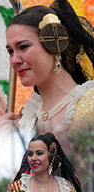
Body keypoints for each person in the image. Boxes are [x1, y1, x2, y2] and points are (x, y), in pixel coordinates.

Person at [6, 1, 94, 138]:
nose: (15, 60)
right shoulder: (26, 119)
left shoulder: (91, 106)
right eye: (10, 51)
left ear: (54, 44)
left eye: (23, 47)